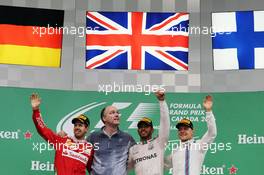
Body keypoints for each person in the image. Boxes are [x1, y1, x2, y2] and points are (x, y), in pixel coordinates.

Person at [30, 93, 94, 175]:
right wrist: (36, 110)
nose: (77, 127)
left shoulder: (89, 149)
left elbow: (93, 170)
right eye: (75, 125)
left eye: (80, 125)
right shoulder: (62, 140)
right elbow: (43, 130)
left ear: (86, 129)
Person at [165, 95, 217, 175]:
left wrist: (208, 111)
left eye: (185, 128)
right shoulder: (175, 151)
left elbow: (212, 133)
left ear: (192, 131)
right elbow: (162, 165)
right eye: (180, 129)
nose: (182, 131)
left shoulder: (200, 144)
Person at [128, 90, 170, 175]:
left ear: (152, 130)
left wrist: (162, 102)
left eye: (146, 126)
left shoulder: (159, 142)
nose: (143, 129)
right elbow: (122, 167)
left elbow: (165, 123)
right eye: (140, 127)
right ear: (137, 130)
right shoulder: (133, 149)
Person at [87, 104, 136, 175]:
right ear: (104, 118)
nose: (116, 115)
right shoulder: (93, 137)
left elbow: (137, 158)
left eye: (117, 113)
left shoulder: (127, 137)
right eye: (112, 113)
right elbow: (84, 160)